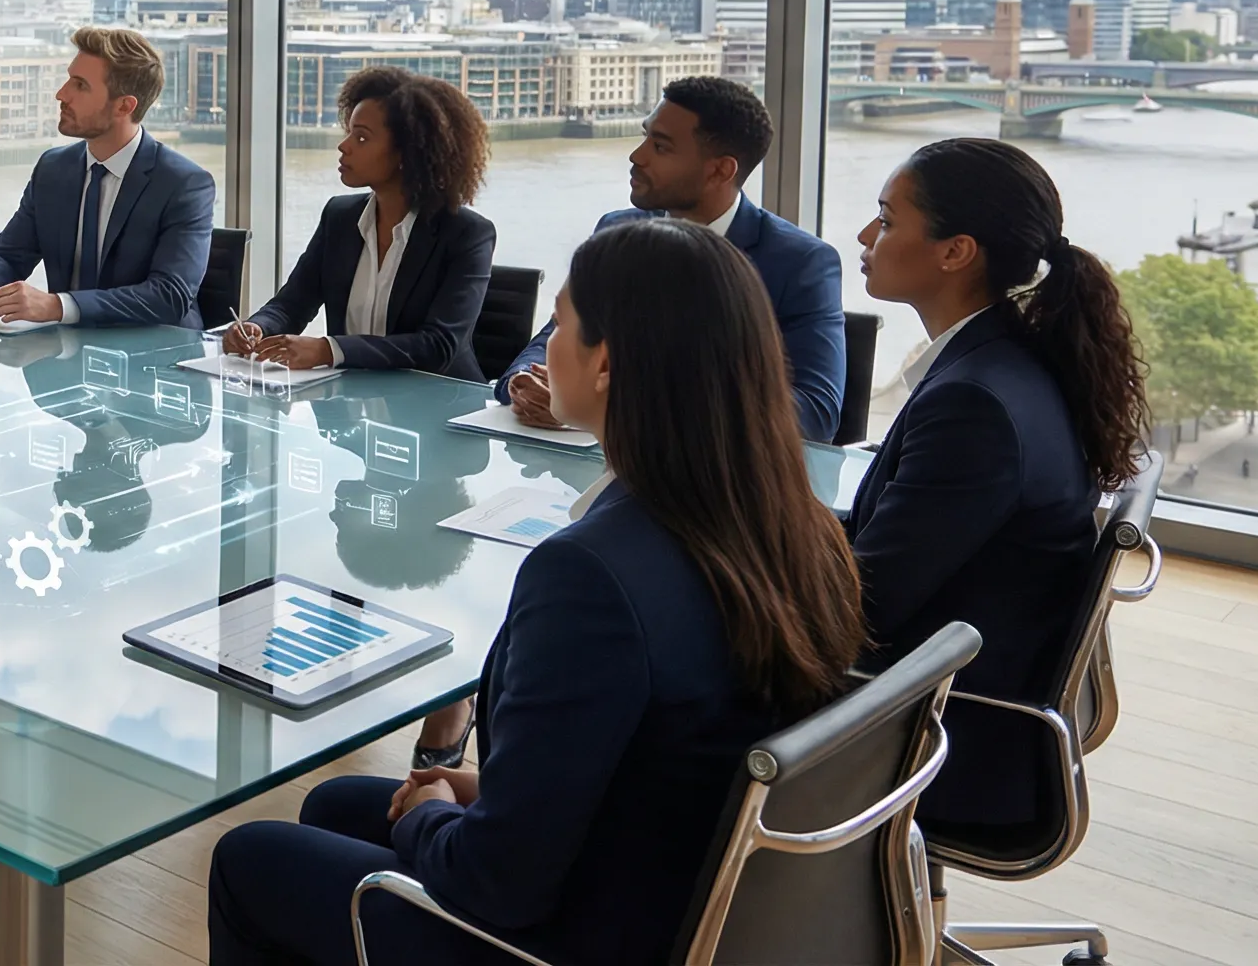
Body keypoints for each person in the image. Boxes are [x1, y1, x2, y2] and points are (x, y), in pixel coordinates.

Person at [208, 220, 865, 966]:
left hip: (570, 935)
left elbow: (496, 883)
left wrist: (431, 818)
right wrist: (486, 788)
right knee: (336, 805)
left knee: (250, 857)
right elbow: (676, 737)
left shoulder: (591, 575)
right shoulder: (792, 521)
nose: (547, 343)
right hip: (694, 886)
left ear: (608, 364)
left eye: (562, 323)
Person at [848, 137, 1146, 829]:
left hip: (943, 736)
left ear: (956, 252)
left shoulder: (974, 404)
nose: (865, 236)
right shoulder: (1008, 360)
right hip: (972, 689)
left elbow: (863, 610)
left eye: (888, 221)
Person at [498, 76, 845, 440]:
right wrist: (522, 381)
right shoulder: (616, 229)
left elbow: (816, 414)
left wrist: (621, 406)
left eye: (660, 147)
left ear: (719, 171)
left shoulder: (801, 263)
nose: (637, 156)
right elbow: (557, 332)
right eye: (645, 136)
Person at [225, 66, 495, 377]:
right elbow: (291, 304)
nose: (344, 146)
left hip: (437, 406)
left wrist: (330, 350)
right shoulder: (340, 217)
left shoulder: (467, 234)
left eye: (362, 137)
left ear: (407, 152)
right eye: (349, 132)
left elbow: (438, 346)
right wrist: (257, 326)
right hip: (350, 406)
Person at [0, 26, 216, 330]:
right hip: (67, 356)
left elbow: (170, 296)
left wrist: (57, 306)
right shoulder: (54, 168)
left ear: (124, 106)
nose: (61, 94)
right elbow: (10, 254)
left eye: (80, 85)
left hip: (155, 363)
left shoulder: (184, 184)